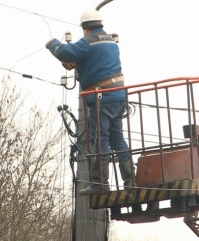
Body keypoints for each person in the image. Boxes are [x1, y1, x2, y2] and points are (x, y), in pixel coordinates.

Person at [46, 9, 134, 196]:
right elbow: (99, 63)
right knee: (117, 137)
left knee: (100, 139)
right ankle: (130, 180)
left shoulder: (87, 42)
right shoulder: (110, 41)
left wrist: (52, 44)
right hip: (118, 95)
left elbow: (65, 51)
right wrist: (78, 64)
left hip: (101, 98)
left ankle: (100, 183)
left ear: (85, 28)